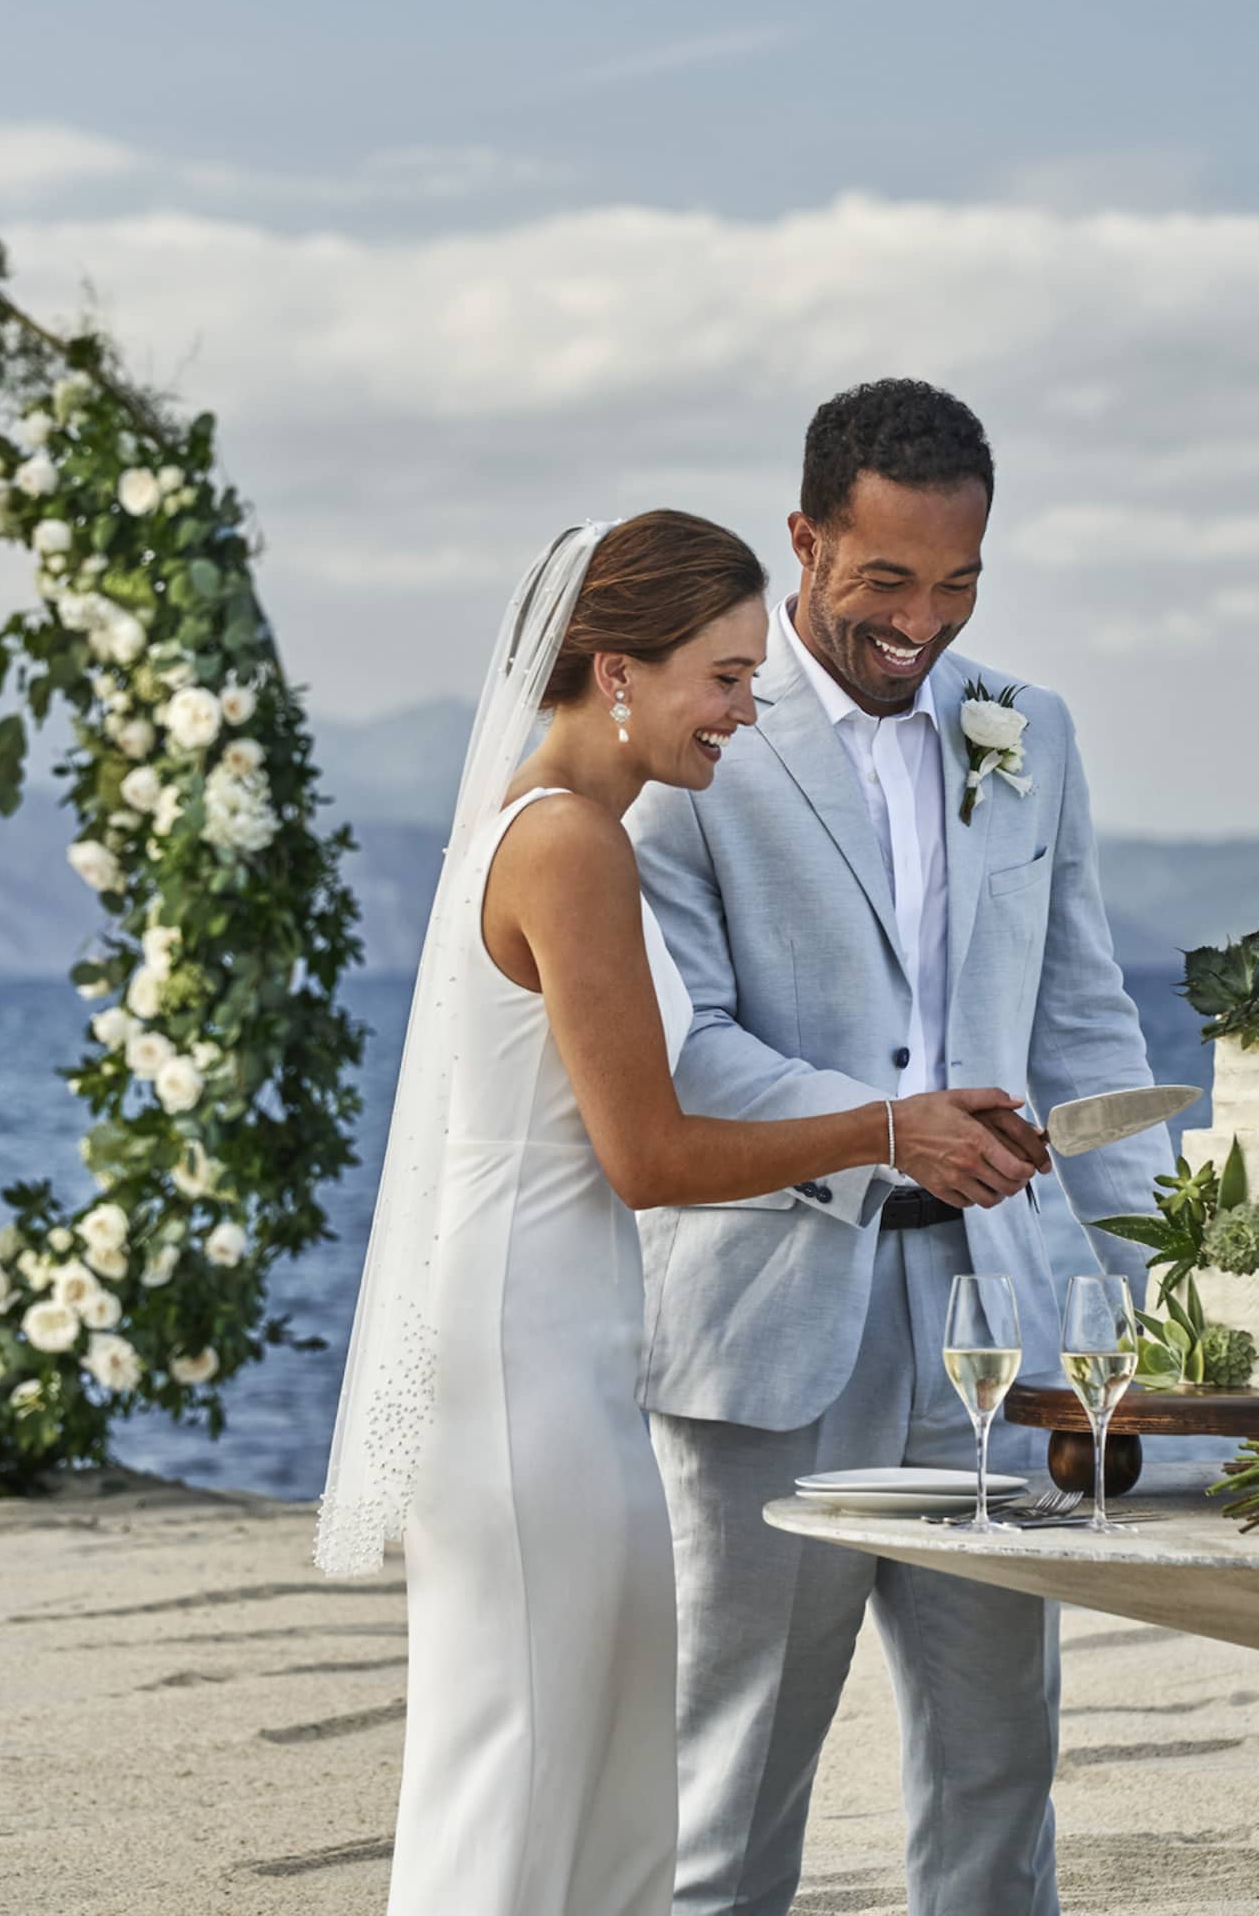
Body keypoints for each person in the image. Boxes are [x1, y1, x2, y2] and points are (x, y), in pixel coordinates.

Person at [316, 507, 1043, 1916]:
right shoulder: (566, 847)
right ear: (613, 672)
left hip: (572, 1336)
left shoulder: (573, 829)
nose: (740, 708)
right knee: (521, 1754)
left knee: (578, 1754)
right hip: (528, 1356)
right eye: (719, 675)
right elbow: (645, 1155)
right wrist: (893, 1127)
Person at [627, 382, 1171, 1916]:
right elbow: (688, 1043)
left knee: (999, 1780)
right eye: (883, 581)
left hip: (995, 1336)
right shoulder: (700, 731)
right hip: (769, 1321)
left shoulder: (1029, 731)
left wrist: (1143, 1309)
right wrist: (890, 1138)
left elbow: (1080, 1031)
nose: (919, 623)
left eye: (957, 584)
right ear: (802, 542)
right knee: (727, 1794)